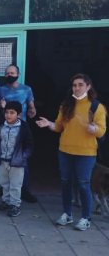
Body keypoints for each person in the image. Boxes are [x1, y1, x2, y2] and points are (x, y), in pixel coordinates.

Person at [36, 73, 107, 231]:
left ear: (88, 87)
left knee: (83, 184)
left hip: (86, 153)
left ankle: (85, 218)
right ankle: (67, 214)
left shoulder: (96, 107)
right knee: (66, 183)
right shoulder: (66, 105)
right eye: (74, 85)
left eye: (80, 85)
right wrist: (48, 123)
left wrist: (92, 128)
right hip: (65, 150)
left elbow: (101, 131)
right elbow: (59, 127)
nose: (77, 88)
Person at [0, 64, 38, 203]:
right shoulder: (1, 90)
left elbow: (32, 108)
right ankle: (6, 193)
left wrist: (32, 112)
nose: (9, 75)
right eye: (7, 73)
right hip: (6, 127)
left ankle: (24, 190)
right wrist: (0, 107)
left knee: (22, 160)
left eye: (12, 73)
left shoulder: (26, 89)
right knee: (5, 160)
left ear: (18, 74)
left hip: (22, 128)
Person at [0, 101, 34, 217]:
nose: (8, 115)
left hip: (17, 162)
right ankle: (6, 201)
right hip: (3, 160)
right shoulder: (1, 126)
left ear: (18, 114)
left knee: (15, 184)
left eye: (12, 113)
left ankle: (15, 205)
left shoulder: (23, 127)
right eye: (7, 112)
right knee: (4, 183)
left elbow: (29, 145)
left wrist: (22, 157)